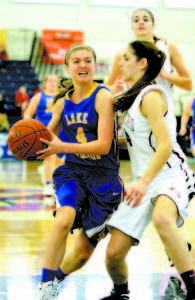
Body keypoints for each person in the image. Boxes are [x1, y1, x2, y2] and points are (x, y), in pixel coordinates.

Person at [100, 41, 195, 300]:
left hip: (170, 173)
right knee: (113, 254)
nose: (120, 63)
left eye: (126, 58)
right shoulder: (132, 98)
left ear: (142, 63)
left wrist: (142, 183)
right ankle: (120, 293)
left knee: (163, 218)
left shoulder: (151, 95)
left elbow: (165, 146)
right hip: (144, 180)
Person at [36, 44, 124, 299]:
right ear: (67, 67)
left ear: (94, 65)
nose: (82, 65)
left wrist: (61, 145)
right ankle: (45, 286)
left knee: (82, 254)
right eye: (76, 61)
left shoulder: (102, 96)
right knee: (63, 219)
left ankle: (58, 279)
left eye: (88, 60)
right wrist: (26, 139)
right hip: (74, 171)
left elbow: (104, 145)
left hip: (104, 179)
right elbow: (46, 135)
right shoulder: (62, 103)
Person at [24, 74, 62, 199]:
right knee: (50, 156)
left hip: (60, 133)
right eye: (50, 81)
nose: (52, 83)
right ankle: (47, 184)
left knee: (59, 161)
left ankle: (47, 174)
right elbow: (28, 114)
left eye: (55, 81)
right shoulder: (39, 97)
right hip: (43, 132)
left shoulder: (63, 97)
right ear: (45, 82)